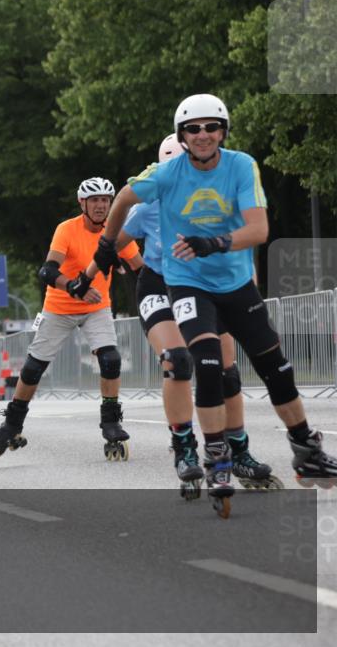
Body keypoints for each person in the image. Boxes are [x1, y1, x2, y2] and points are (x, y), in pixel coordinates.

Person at [93, 93, 337, 513]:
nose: (203, 135)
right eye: (193, 129)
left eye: (211, 127)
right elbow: (123, 201)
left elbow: (258, 229)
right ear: (181, 136)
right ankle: (213, 453)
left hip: (234, 281)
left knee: (274, 367)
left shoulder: (241, 166)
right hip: (184, 283)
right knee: (200, 361)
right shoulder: (166, 175)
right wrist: (105, 246)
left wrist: (215, 242)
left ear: (223, 131)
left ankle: (305, 448)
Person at [87, 134, 280, 499]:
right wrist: (85, 274)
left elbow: (241, 242)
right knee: (177, 361)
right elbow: (111, 241)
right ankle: (184, 444)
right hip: (159, 283)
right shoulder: (150, 203)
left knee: (226, 371)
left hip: (207, 286)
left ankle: (238, 449)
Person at [0, 177, 143, 464]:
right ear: (83, 204)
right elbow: (47, 271)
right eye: (94, 201)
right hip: (59, 306)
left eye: (105, 200)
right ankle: (12, 425)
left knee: (111, 359)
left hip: (97, 307)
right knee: (33, 368)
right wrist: (72, 286)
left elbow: (139, 269)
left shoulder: (116, 231)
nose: (100, 205)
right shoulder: (66, 229)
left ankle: (111, 422)